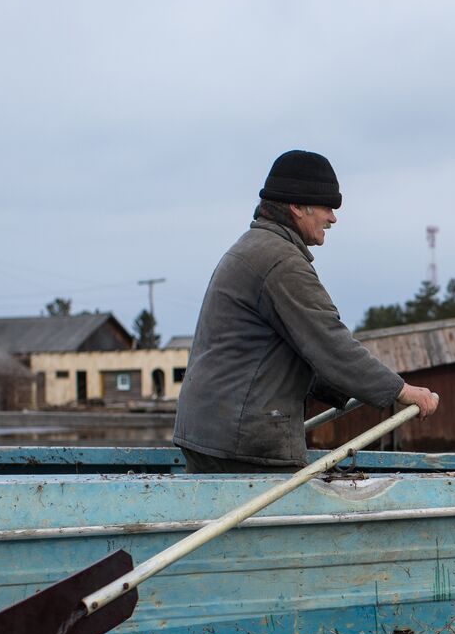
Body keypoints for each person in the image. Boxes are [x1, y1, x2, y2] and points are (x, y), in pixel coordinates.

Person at [173, 150, 439, 473]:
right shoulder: (281, 263)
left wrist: (350, 391)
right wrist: (401, 390)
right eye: (327, 206)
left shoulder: (253, 247)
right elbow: (330, 342)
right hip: (241, 444)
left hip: (211, 435)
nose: (333, 217)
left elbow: (285, 356)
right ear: (297, 207)